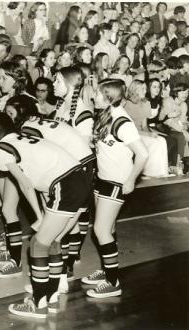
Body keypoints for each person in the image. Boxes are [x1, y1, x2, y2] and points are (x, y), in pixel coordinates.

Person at [0, 113, 90, 318]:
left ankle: (38, 304)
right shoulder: (21, 137)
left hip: (65, 184)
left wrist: (38, 217)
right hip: (80, 177)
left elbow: (25, 183)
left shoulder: (0, 150)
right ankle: (51, 297)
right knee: (53, 240)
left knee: (38, 244)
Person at [82, 78, 148, 298]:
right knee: (106, 230)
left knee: (100, 230)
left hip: (116, 182)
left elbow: (143, 154)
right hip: (102, 179)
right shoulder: (103, 115)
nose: (93, 97)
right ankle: (106, 270)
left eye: (98, 94)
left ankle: (113, 282)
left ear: (109, 97)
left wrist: (130, 180)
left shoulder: (122, 122)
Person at [125, 79, 169, 177]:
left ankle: (162, 172)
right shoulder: (126, 104)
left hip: (141, 132)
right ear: (135, 90)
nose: (146, 91)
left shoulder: (146, 103)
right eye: (143, 89)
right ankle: (149, 172)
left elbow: (144, 125)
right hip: (131, 134)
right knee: (154, 143)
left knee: (161, 140)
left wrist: (150, 134)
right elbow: (129, 129)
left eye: (145, 88)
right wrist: (148, 134)